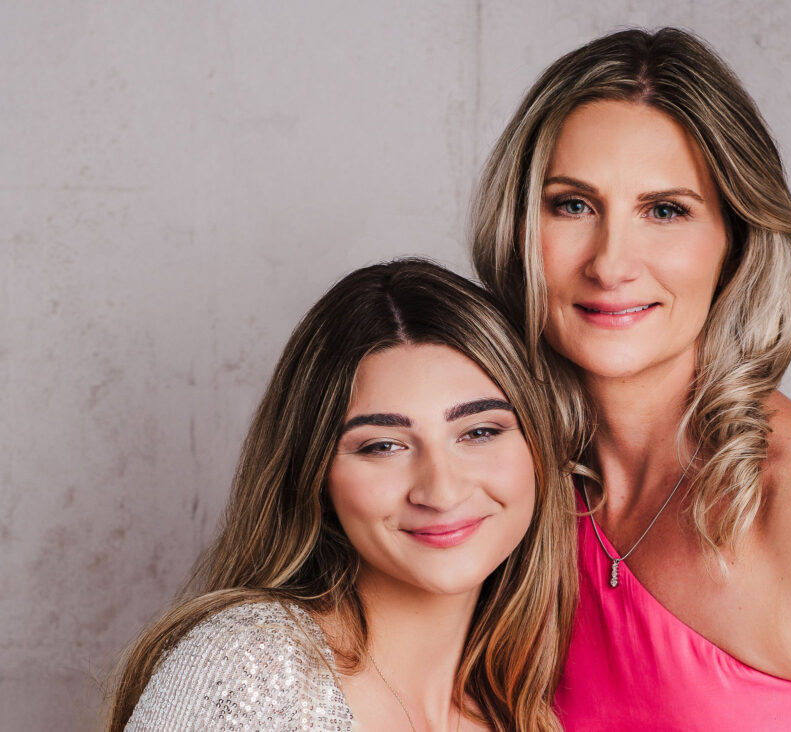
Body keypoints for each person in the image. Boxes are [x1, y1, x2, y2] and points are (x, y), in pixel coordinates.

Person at [472, 28, 791, 730]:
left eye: (665, 211)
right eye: (572, 205)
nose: (611, 262)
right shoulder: (492, 492)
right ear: (516, 227)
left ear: (737, 240)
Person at [107, 259, 576, 731]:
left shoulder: (525, 710)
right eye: (382, 446)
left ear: (538, 444)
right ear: (315, 473)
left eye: (479, 432)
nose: (442, 490)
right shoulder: (250, 670)